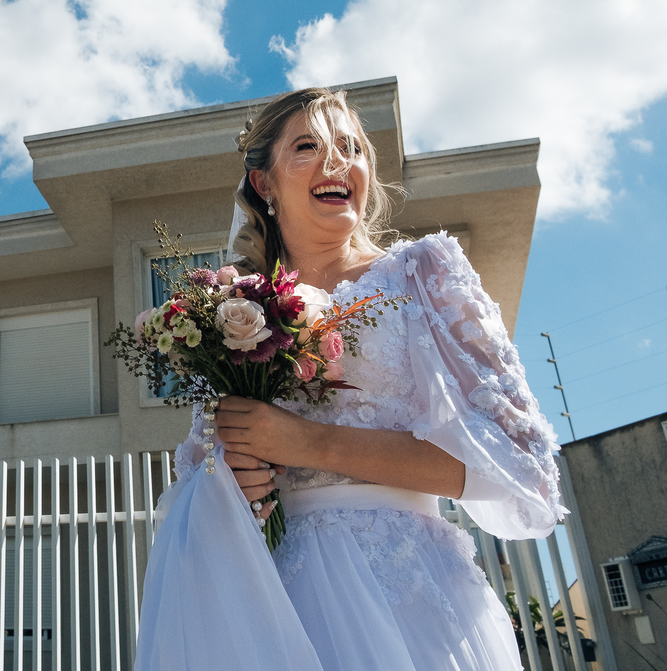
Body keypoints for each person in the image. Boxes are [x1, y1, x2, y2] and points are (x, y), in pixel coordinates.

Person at [134, 88, 564, 671]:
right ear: (264, 184)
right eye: (308, 146)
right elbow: (201, 472)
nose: (337, 162)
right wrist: (235, 479)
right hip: (271, 610)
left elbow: (523, 466)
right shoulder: (229, 313)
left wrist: (307, 443)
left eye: (351, 147)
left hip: (409, 605)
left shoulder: (422, 273)